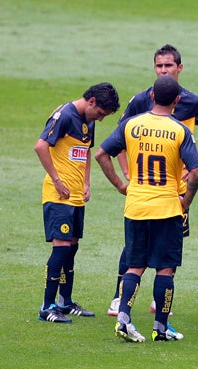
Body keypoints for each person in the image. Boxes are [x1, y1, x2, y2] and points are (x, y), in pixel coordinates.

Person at [106, 44, 198, 317]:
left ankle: (158, 302)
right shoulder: (140, 100)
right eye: (159, 66)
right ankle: (120, 298)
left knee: (172, 245)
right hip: (147, 188)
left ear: (180, 67)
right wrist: (127, 173)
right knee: (134, 247)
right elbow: (118, 139)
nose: (163, 70)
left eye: (168, 65)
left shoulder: (193, 102)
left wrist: (197, 162)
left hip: (177, 188)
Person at [95, 75, 198, 342]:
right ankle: (160, 328)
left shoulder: (131, 125)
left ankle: (123, 320)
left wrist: (120, 185)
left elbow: (101, 154)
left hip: (136, 207)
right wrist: (186, 202)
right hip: (167, 208)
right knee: (165, 269)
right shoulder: (180, 130)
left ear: (152, 96)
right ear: (177, 100)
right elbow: (196, 172)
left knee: (134, 266)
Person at [34, 82, 120, 323]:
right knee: (61, 248)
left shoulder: (88, 120)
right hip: (58, 195)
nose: (100, 119)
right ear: (91, 102)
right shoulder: (64, 115)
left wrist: (86, 183)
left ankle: (65, 302)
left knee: (71, 249)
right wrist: (57, 180)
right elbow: (40, 146)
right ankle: (46, 307)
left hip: (76, 196)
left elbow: (86, 150)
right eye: (100, 113)